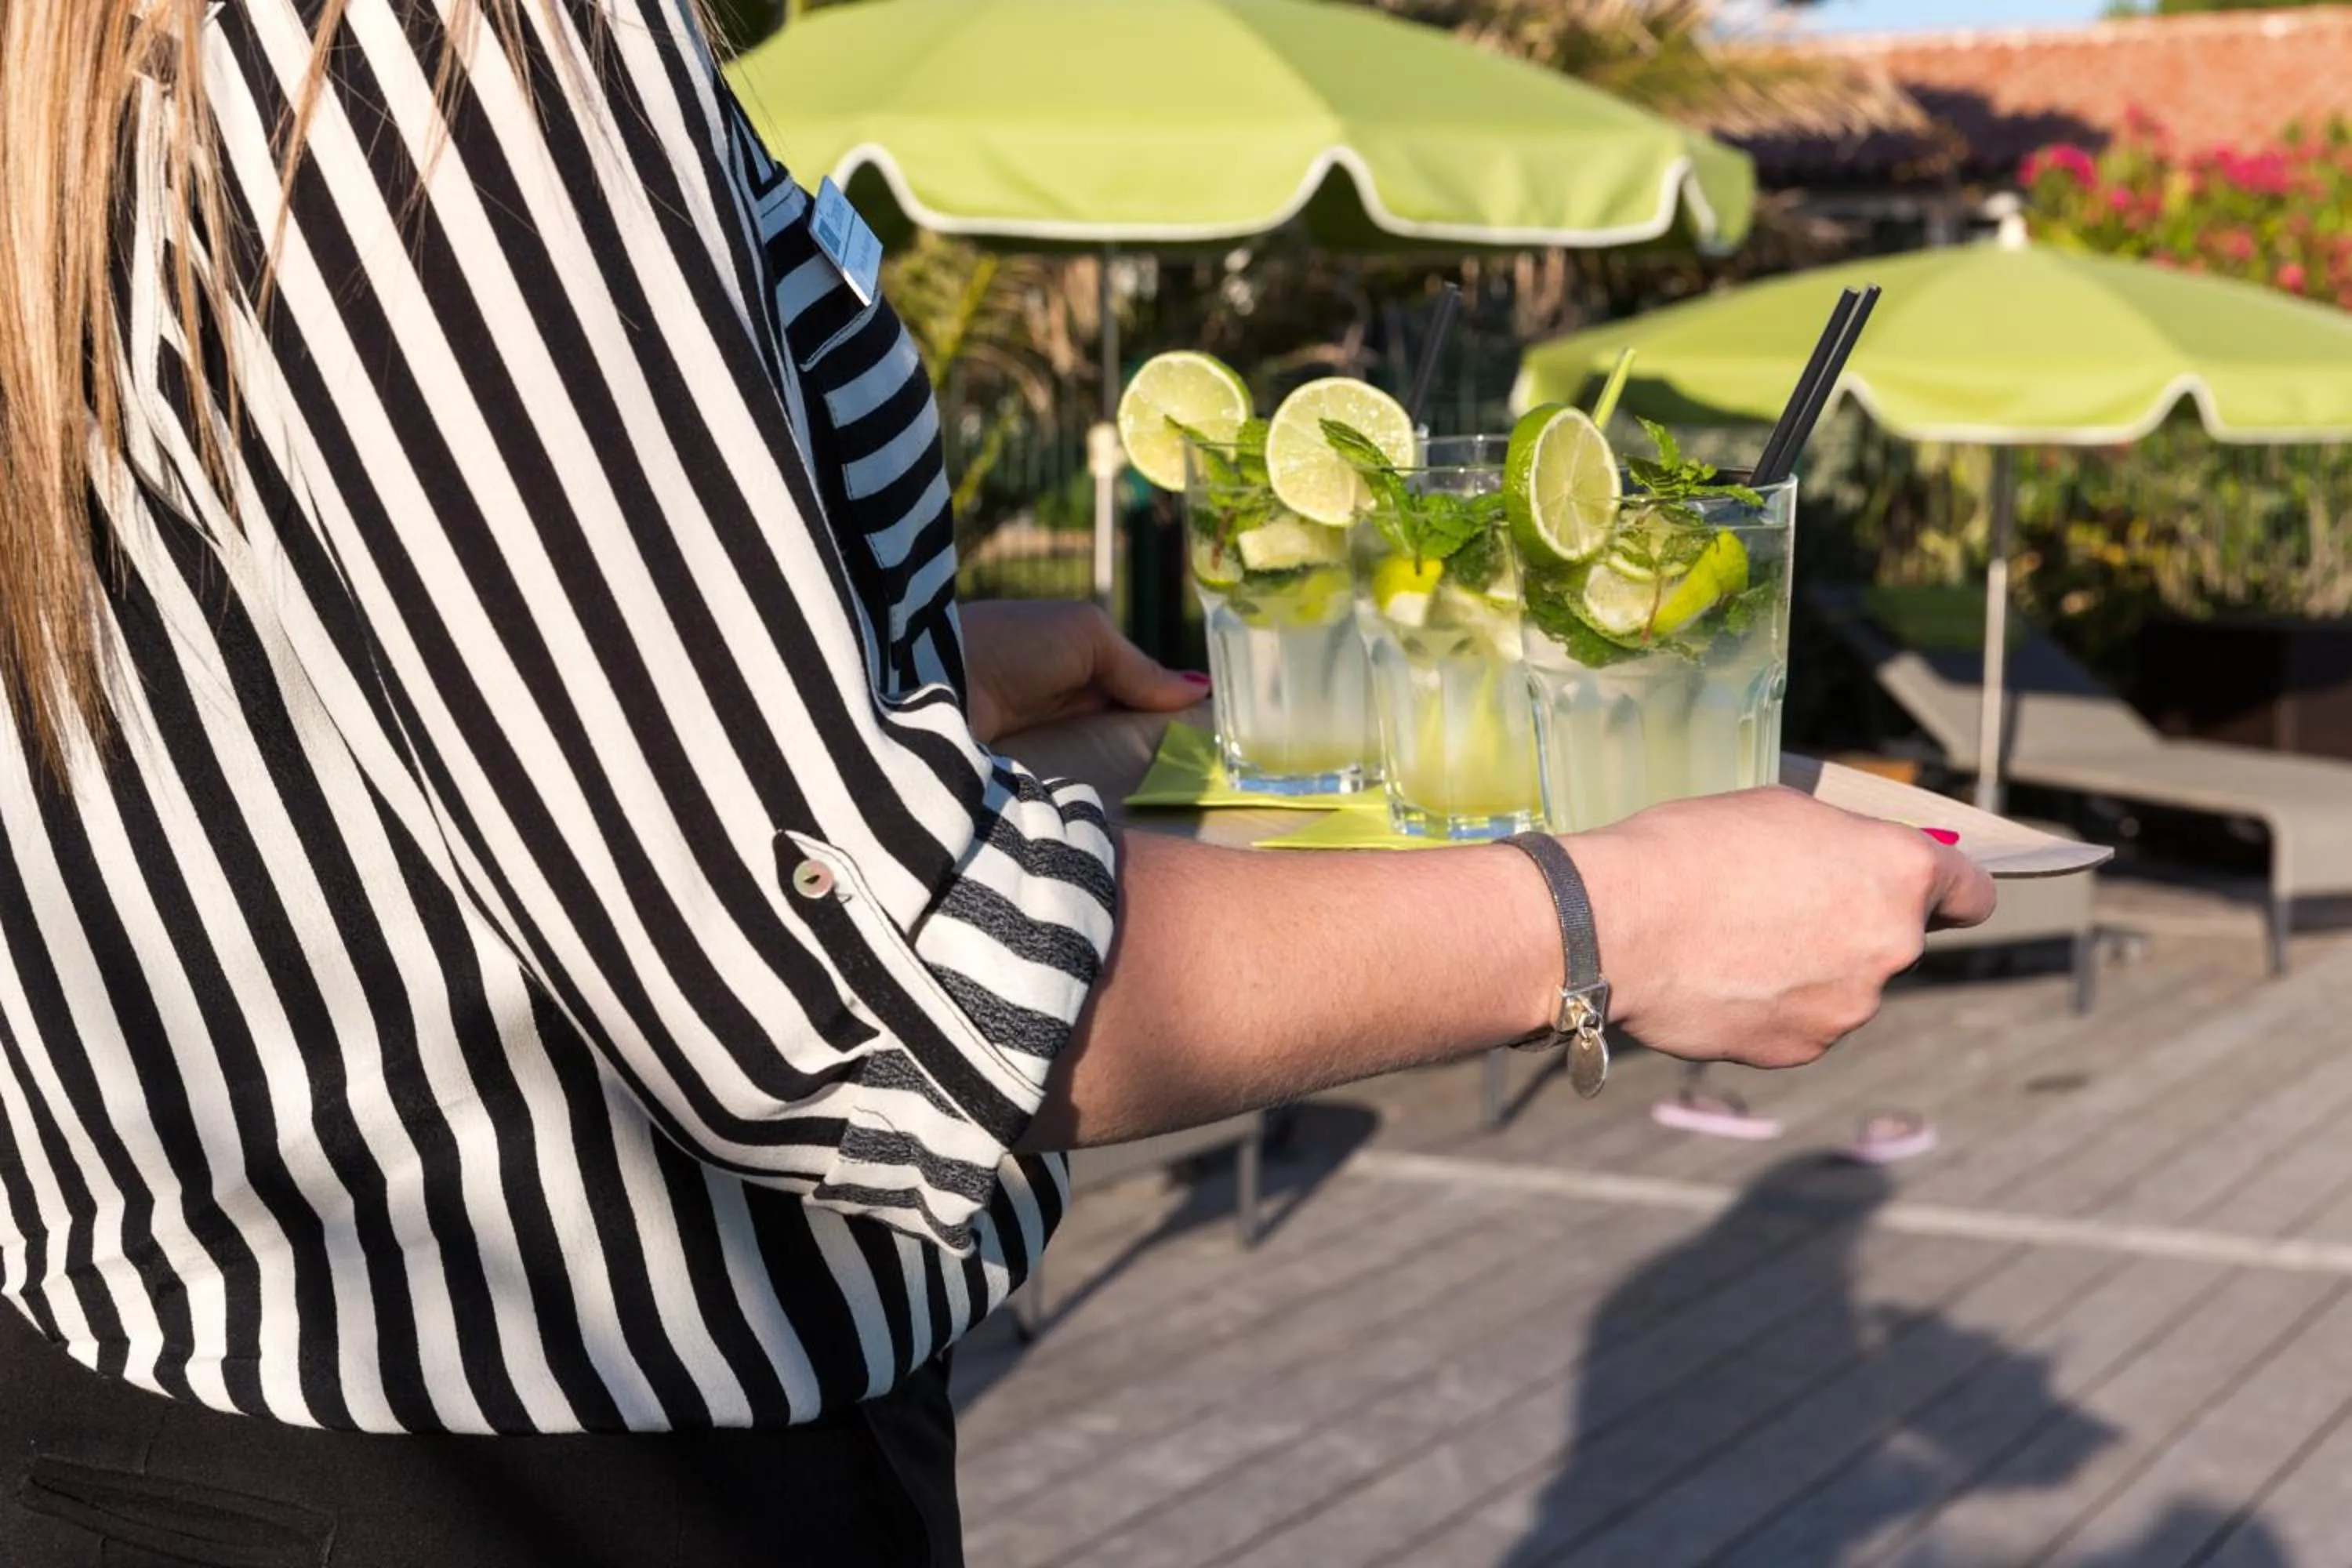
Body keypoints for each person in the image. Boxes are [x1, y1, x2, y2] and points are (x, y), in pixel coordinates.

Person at [0, 2, 1995, 1563]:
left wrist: (885, 671)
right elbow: (859, 994)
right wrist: (1615, 917)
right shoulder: (441, 42)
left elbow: (247, 675)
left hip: (194, 1419)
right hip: (545, 1475)